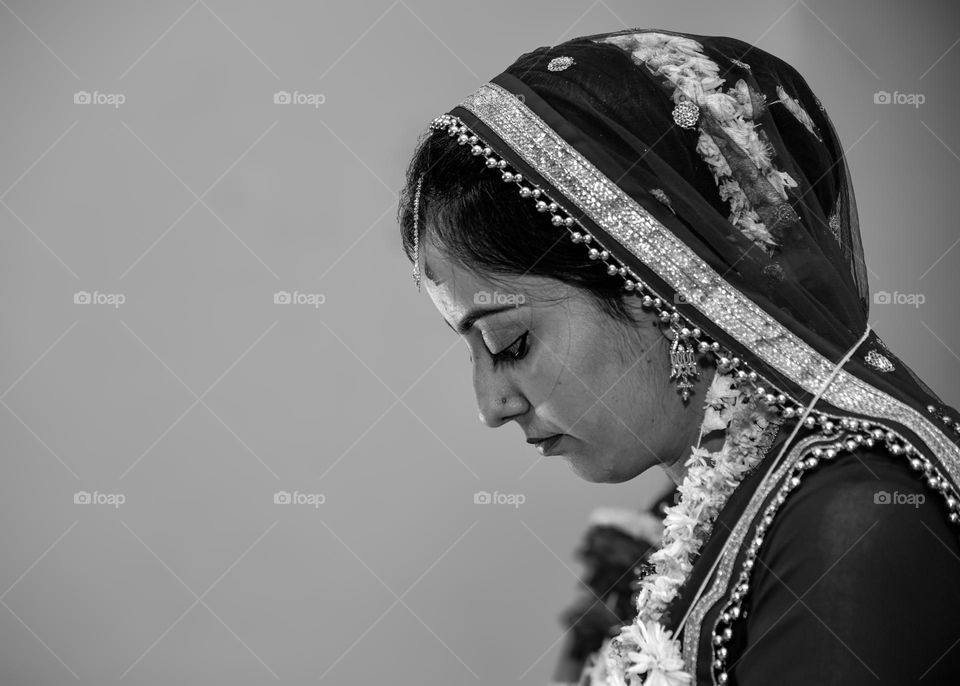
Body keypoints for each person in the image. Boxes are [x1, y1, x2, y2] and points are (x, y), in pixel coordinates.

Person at [397, 28, 960, 684]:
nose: (492, 406)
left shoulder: (860, 524)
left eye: (508, 342)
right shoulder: (676, 531)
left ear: (667, 284)